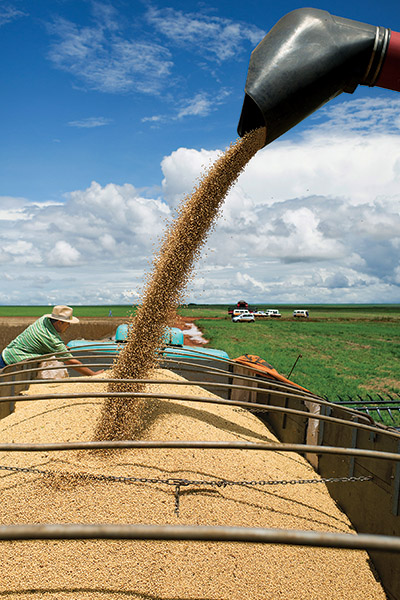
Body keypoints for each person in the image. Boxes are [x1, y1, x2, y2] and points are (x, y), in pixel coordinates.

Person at [0, 305, 103, 376]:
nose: (69, 326)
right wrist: (93, 374)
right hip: (9, 364)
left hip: (7, 353)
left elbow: (43, 344)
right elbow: (71, 361)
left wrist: (61, 349)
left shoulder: (43, 320)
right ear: (59, 322)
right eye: (68, 323)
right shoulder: (51, 339)